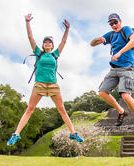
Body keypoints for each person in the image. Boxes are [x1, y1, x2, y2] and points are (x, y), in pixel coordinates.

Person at [7, 13, 83, 146]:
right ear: (43, 45)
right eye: (45, 42)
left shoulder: (55, 54)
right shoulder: (38, 52)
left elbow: (63, 42)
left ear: (52, 46)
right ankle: (16, 134)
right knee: (30, 109)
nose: (47, 43)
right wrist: (27, 22)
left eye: (50, 42)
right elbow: (30, 37)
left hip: (53, 85)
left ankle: (73, 133)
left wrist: (67, 29)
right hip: (40, 85)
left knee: (62, 109)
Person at [90, 13, 134, 134]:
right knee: (102, 92)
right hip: (114, 69)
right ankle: (121, 111)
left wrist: (119, 53)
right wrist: (98, 40)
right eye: (111, 24)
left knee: (125, 95)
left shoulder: (126, 29)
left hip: (128, 67)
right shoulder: (110, 35)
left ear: (120, 21)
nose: (114, 25)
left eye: (115, 22)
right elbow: (92, 44)